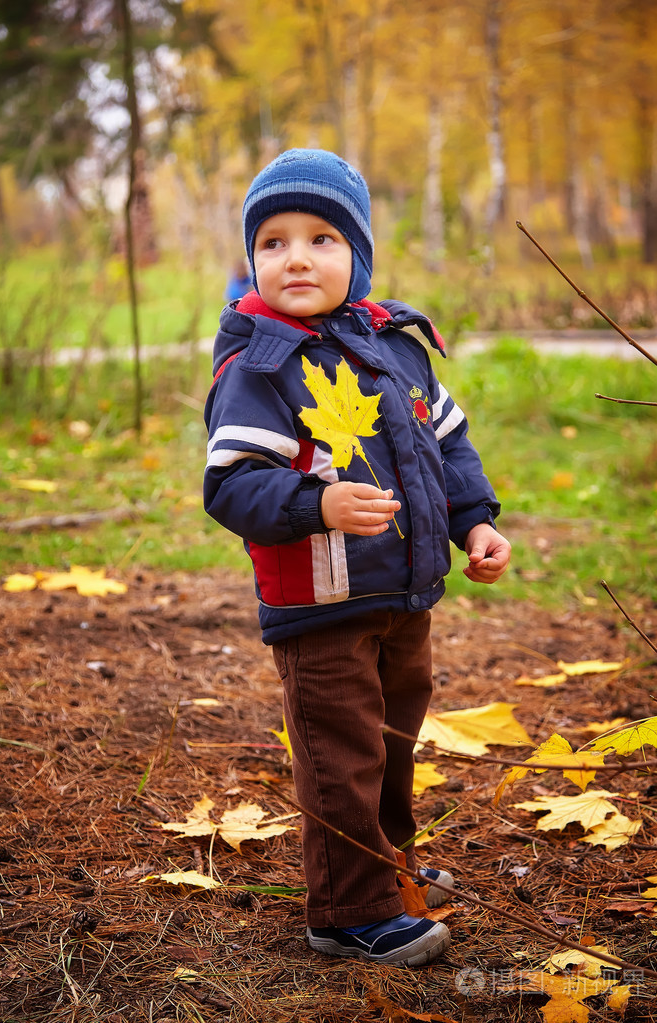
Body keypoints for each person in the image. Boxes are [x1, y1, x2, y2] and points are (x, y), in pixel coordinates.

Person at [203, 149, 511, 967]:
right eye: (272, 242)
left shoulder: (394, 345)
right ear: (252, 259)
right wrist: (316, 504)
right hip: (321, 602)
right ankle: (347, 908)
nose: (295, 256)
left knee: (392, 738)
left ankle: (388, 869)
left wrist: (474, 521)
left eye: (321, 239)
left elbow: (446, 445)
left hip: (404, 591)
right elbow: (231, 485)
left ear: (359, 256)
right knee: (342, 751)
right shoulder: (259, 367)